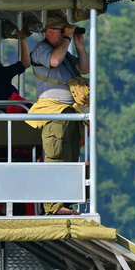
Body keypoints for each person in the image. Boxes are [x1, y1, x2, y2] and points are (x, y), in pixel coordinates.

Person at [28, 19, 89, 215]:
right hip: (53, 112)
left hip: (70, 112)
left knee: (70, 158)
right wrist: (68, 38)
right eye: (60, 30)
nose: (64, 34)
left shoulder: (64, 52)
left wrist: (78, 45)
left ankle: (66, 203)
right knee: (56, 157)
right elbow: (54, 61)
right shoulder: (41, 50)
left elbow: (84, 68)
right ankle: (53, 206)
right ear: (48, 31)